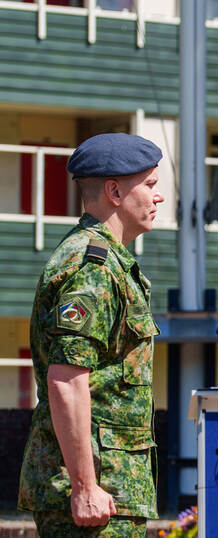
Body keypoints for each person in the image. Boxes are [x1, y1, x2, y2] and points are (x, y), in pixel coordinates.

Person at [18, 133, 165, 537]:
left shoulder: (109, 262)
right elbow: (66, 378)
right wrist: (85, 488)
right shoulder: (94, 268)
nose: (159, 197)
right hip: (93, 498)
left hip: (110, 492)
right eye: (150, 185)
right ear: (115, 191)